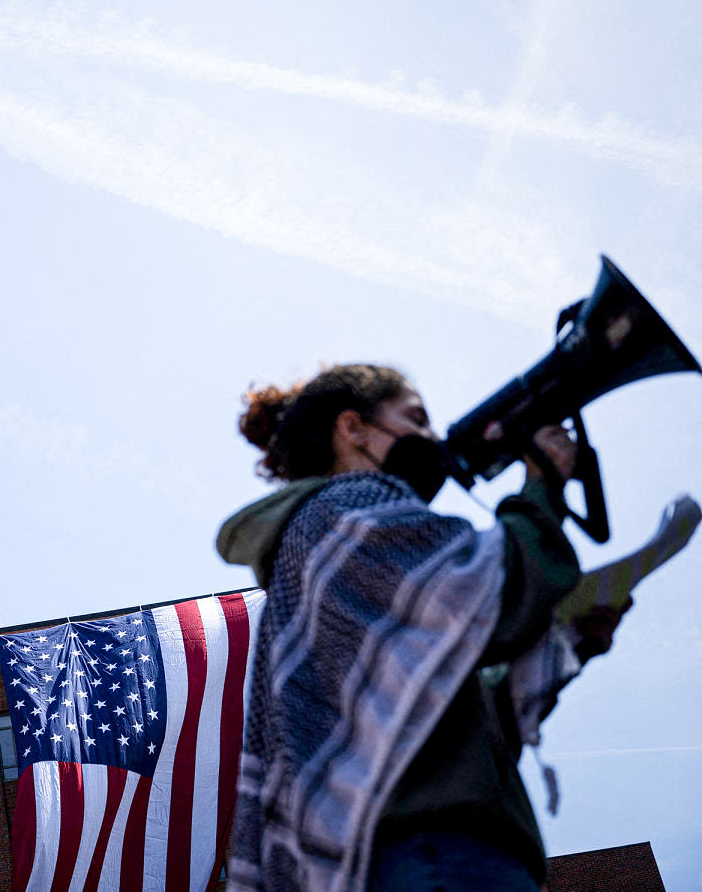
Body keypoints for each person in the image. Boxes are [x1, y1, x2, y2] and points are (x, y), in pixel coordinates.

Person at [216, 363, 625, 892]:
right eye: (416, 419)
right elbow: (496, 590)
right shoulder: (348, 510)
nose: (433, 438)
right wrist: (542, 489)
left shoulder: (319, 547)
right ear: (353, 429)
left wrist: (573, 640)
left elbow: (447, 727)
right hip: (437, 855)